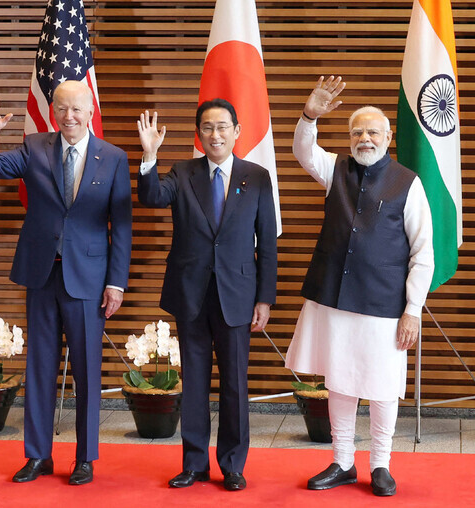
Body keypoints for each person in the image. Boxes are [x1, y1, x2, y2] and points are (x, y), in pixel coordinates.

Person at [0, 80, 132, 485]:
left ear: (90, 110)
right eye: (62, 108)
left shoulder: (112, 157)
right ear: (53, 111)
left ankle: (85, 458)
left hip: (90, 280)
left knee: (87, 372)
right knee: (39, 367)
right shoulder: (34, 147)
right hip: (42, 274)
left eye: (76, 109)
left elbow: (123, 227)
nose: (69, 116)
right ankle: (38, 455)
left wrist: (116, 282)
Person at [285, 76, 434, 497]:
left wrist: (413, 309)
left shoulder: (408, 182)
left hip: (385, 305)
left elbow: (423, 252)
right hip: (335, 299)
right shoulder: (335, 168)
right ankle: (343, 461)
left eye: (372, 132)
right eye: (356, 132)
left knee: (383, 385)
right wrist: (310, 113)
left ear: (388, 137)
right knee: (341, 381)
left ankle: (382, 465)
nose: (363, 138)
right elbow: (302, 150)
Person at [136, 100, 277, 491]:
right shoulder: (182, 173)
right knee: (194, 382)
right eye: (207, 128)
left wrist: (264, 298)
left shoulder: (258, 177)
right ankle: (194, 464)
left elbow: (266, 243)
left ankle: (233, 465)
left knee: (234, 384)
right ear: (199, 134)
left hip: (238, 295)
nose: (215, 135)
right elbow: (151, 198)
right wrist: (149, 155)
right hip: (191, 294)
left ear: (237, 130)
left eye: (222, 127)